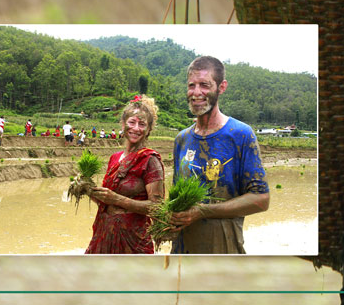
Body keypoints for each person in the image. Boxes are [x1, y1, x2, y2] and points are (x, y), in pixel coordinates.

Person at [168, 56, 270, 253]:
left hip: (223, 245)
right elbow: (176, 197)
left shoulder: (240, 135)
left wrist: (201, 211)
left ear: (221, 87)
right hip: (182, 246)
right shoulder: (181, 139)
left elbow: (261, 199)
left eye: (204, 85)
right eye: (191, 85)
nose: (196, 92)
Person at [86, 95, 165, 254]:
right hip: (105, 233)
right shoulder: (114, 158)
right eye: (132, 122)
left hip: (133, 240)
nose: (136, 128)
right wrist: (88, 190)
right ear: (123, 124)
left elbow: (157, 208)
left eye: (142, 124)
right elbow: (107, 202)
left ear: (148, 129)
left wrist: (117, 199)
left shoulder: (149, 161)